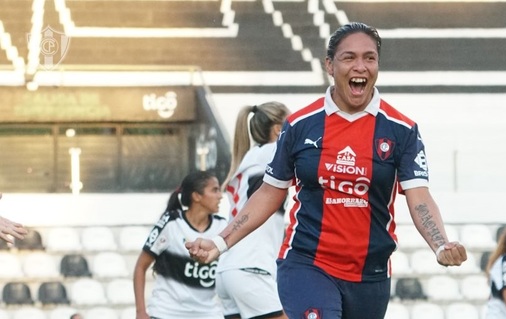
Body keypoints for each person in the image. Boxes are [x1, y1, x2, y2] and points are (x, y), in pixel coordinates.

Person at [186, 22, 467, 319]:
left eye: (369, 58)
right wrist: (220, 241)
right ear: (330, 66)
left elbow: (419, 197)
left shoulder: (402, 130)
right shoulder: (301, 125)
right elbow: (269, 192)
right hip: (307, 264)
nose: (360, 66)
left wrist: (440, 244)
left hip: (370, 274)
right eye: (349, 58)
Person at [217, 102, 290, 319]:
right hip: (251, 267)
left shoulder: (250, 157)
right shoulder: (274, 150)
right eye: (291, 122)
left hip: (228, 269)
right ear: (278, 129)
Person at [133, 170, 227, 319]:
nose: (220, 196)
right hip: (167, 312)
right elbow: (140, 266)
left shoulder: (222, 226)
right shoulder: (171, 223)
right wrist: (140, 312)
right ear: (196, 196)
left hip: (207, 314)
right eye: (214, 190)